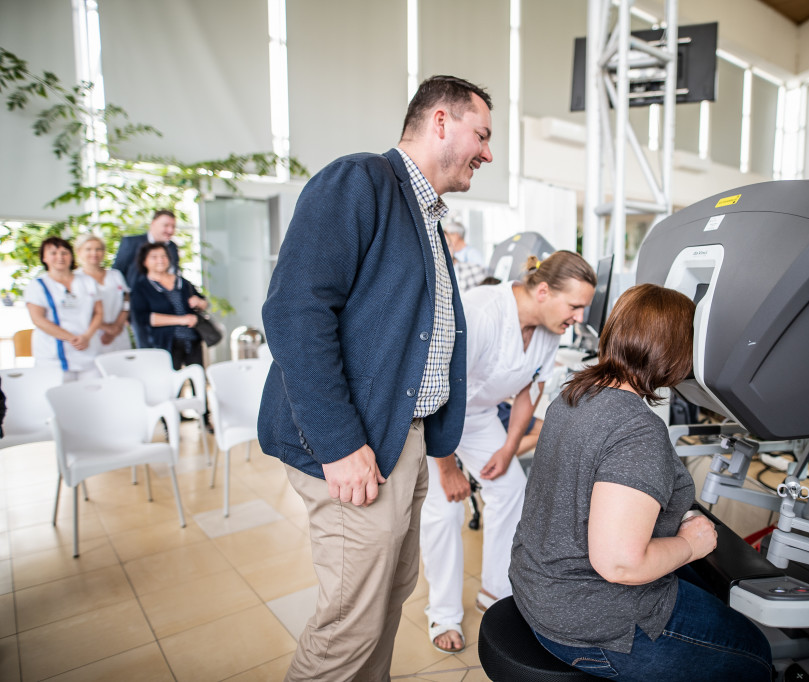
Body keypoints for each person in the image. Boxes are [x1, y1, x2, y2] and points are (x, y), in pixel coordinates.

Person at [258, 74, 493, 681]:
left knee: (389, 600)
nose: (487, 153)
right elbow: (295, 311)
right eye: (482, 135)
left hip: (402, 435)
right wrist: (338, 444)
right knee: (349, 624)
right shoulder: (360, 181)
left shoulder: (426, 216)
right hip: (354, 443)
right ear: (441, 121)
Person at [510, 284, 773, 682]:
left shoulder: (574, 395)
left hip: (539, 591)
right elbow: (619, 562)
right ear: (678, 353)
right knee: (754, 653)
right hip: (590, 623)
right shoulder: (637, 430)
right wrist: (689, 544)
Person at [421, 250, 596, 654]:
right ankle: (444, 613)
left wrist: (508, 447)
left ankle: (495, 592)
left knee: (511, 487)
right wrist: (448, 469)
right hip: (433, 413)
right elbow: (440, 391)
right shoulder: (482, 312)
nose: (578, 317)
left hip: (478, 415)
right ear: (542, 290)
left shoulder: (550, 329)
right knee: (444, 508)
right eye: (574, 306)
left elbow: (529, 389)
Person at [24, 237, 103, 382]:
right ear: (44, 258)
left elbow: (98, 312)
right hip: (54, 355)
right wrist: (71, 338)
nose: (60, 257)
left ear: (71, 256)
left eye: (64, 252)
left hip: (88, 349)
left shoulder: (87, 281)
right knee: (58, 398)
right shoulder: (37, 285)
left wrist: (86, 336)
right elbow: (38, 319)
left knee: (92, 396)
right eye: (53, 253)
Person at [129, 242, 207, 370]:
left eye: (164, 256)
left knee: (198, 379)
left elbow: (203, 302)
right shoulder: (141, 287)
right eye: (154, 257)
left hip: (192, 341)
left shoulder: (182, 282)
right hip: (165, 344)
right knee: (171, 384)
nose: (160, 260)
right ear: (145, 261)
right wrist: (182, 320)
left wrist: (199, 302)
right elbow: (143, 318)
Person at [112, 209, 180, 344]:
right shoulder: (131, 243)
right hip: (139, 307)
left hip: (167, 308)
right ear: (153, 224)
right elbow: (118, 274)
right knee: (147, 346)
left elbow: (174, 275)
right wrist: (123, 309)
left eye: (173, 226)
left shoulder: (172, 247)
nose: (170, 230)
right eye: (166, 225)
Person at [75, 234, 132, 354]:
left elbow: (126, 301)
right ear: (79, 252)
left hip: (119, 332)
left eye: (98, 249)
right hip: (93, 335)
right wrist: (107, 329)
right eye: (88, 249)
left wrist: (117, 327)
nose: (94, 253)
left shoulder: (115, 275)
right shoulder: (75, 279)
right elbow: (77, 310)